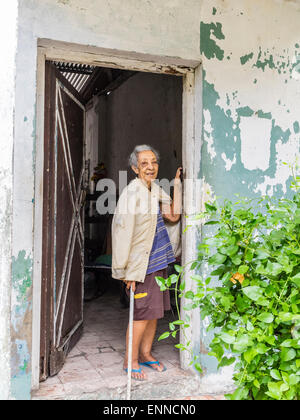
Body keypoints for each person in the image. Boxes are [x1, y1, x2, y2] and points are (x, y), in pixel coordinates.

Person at [111, 144, 182, 381]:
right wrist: (125, 272)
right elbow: (121, 234)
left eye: (153, 162)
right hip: (141, 268)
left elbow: (173, 215)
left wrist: (178, 185)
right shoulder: (132, 194)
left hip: (158, 261)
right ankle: (130, 361)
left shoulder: (154, 190)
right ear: (134, 168)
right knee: (141, 315)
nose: (150, 167)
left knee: (153, 314)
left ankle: (146, 353)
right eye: (144, 163)